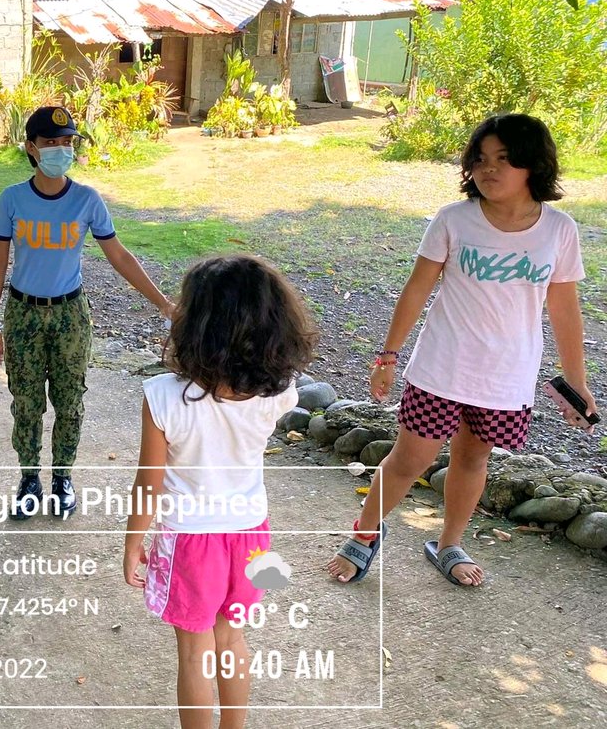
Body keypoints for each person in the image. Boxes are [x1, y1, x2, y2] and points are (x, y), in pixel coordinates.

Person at [327, 114, 597, 587]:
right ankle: (365, 534)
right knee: (410, 460)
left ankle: (449, 542)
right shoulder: (454, 219)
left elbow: (564, 308)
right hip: (442, 367)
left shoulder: (559, 230)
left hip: (505, 374)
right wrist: (387, 356)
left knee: (473, 460)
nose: (488, 168)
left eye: (504, 159)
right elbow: (416, 289)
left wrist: (577, 380)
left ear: (533, 165)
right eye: (481, 158)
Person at [124, 255, 316, 729]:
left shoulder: (163, 397)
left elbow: (149, 483)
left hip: (191, 541)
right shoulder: (279, 392)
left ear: (194, 325)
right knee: (231, 640)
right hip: (251, 536)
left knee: (195, 654)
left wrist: (132, 542)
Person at [0, 106, 173, 520]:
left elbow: (119, 255)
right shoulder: (12, 200)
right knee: (26, 403)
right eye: (51, 143)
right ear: (32, 148)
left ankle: (62, 479)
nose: (61, 149)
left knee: (70, 403)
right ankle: (29, 479)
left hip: (70, 314)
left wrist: (163, 303)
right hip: (23, 315)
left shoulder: (87, 200)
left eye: (67, 142)